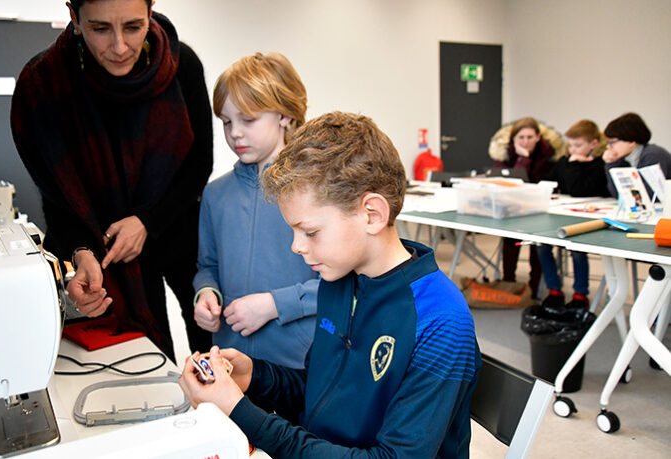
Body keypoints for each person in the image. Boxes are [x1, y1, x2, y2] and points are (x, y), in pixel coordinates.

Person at [180, 112, 481, 457]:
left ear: (372, 214)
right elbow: (321, 389)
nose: (297, 246)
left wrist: (240, 411)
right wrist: (255, 376)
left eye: (310, 232)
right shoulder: (341, 280)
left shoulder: (440, 321)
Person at [10, 0, 213, 361]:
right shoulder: (43, 86)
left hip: (176, 226)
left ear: (151, 13)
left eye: (134, 27)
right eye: (101, 29)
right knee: (135, 358)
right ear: (75, 17)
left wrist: (148, 222)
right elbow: (58, 196)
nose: (119, 47)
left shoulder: (182, 67)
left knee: (207, 339)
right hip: (105, 249)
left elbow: (198, 165)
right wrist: (80, 252)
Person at [193, 52, 319, 370]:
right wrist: (205, 293)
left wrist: (274, 305)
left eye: (248, 120)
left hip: (300, 366)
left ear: (285, 116)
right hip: (230, 361)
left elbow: (342, 282)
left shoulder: (317, 191)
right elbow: (207, 266)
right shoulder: (215, 194)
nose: (235, 133)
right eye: (226, 121)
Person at [538, 120, 610, 309]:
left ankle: (580, 293)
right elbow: (547, 181)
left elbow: (580, 189)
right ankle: (554, 289)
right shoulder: (565, 161)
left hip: (588, 218)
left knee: (577, 250)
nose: (572, 149)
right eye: (570, 145)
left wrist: (575, 165)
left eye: (578, 145)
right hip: (562, 213)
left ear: (593, 144)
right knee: (541, 246)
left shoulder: (599, 164)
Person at [489, 117, 560, 296]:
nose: (526, 141)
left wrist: (525, 159)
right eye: (521, 137)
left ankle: (534, 287)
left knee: (537, 241)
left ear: (538, 137)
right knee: (511, 238)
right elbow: (510, 182)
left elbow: (544, 182)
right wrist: (522, 159)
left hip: (541, 209)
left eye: (530, 137)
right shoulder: (504, 155)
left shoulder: (549, 156)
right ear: (513, 139)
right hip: (513, 208)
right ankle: (508, 282)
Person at [602, 112, 671, 199]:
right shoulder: (623, 159)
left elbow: (650, 195)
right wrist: (611, 163)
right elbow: (619, 195)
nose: (608, 146)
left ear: (631, 141)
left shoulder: (652, 155)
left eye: (612, 142)